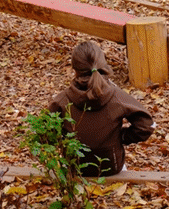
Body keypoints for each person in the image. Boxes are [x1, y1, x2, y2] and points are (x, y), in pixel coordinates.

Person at [47, 41, 153, 177]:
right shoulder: (117, 96)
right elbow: (147, 125)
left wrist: (65, 138)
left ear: (74, 69)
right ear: (102, 64)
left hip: (75, 166)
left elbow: (46, 133)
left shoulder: (62, 100)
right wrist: (121, 137)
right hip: (111, 167)